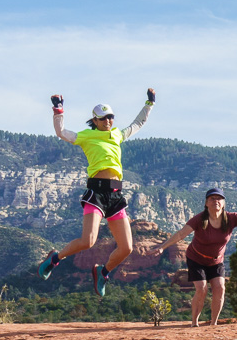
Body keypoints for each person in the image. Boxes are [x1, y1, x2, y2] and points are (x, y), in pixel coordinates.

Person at [38, 88, 156, 297]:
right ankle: (55, 259)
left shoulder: (117, 134)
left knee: (127, 248)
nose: (108, 121)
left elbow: (138, 124)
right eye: (103, 118)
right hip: (97, 193)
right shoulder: (86, 136)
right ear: (95, 120)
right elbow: (62, 133)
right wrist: (58, 110)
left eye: (110, 117)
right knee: (88, 241)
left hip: (116, 196)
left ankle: (103, 272)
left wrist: (149, 103)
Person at [153, 189, 237, 326]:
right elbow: (181, 234)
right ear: (206, 203)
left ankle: (214, 323)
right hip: (196, 259)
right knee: (202, 288)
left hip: (216, 261)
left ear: (223, 203)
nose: (216, 201)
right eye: (212, 198)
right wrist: (162, 247)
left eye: (219, 198)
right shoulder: (199, 219)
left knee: (220, 287)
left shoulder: (231, 218)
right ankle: (194, 322)